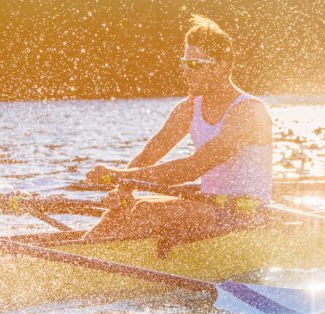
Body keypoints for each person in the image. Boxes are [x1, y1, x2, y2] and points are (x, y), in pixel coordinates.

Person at [84, 15, 272, 242]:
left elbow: (192, 168)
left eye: (195, 64)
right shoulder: (189, 108)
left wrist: (119, 176)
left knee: (144, 211)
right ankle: (81, 258)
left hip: (245, 215)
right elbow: (149, 154)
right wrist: (123, 191)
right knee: (121, 211)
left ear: (221, 67)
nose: (185, 71)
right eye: (184, 63)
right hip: (210, 206)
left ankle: (102, 263)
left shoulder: (248, 112)